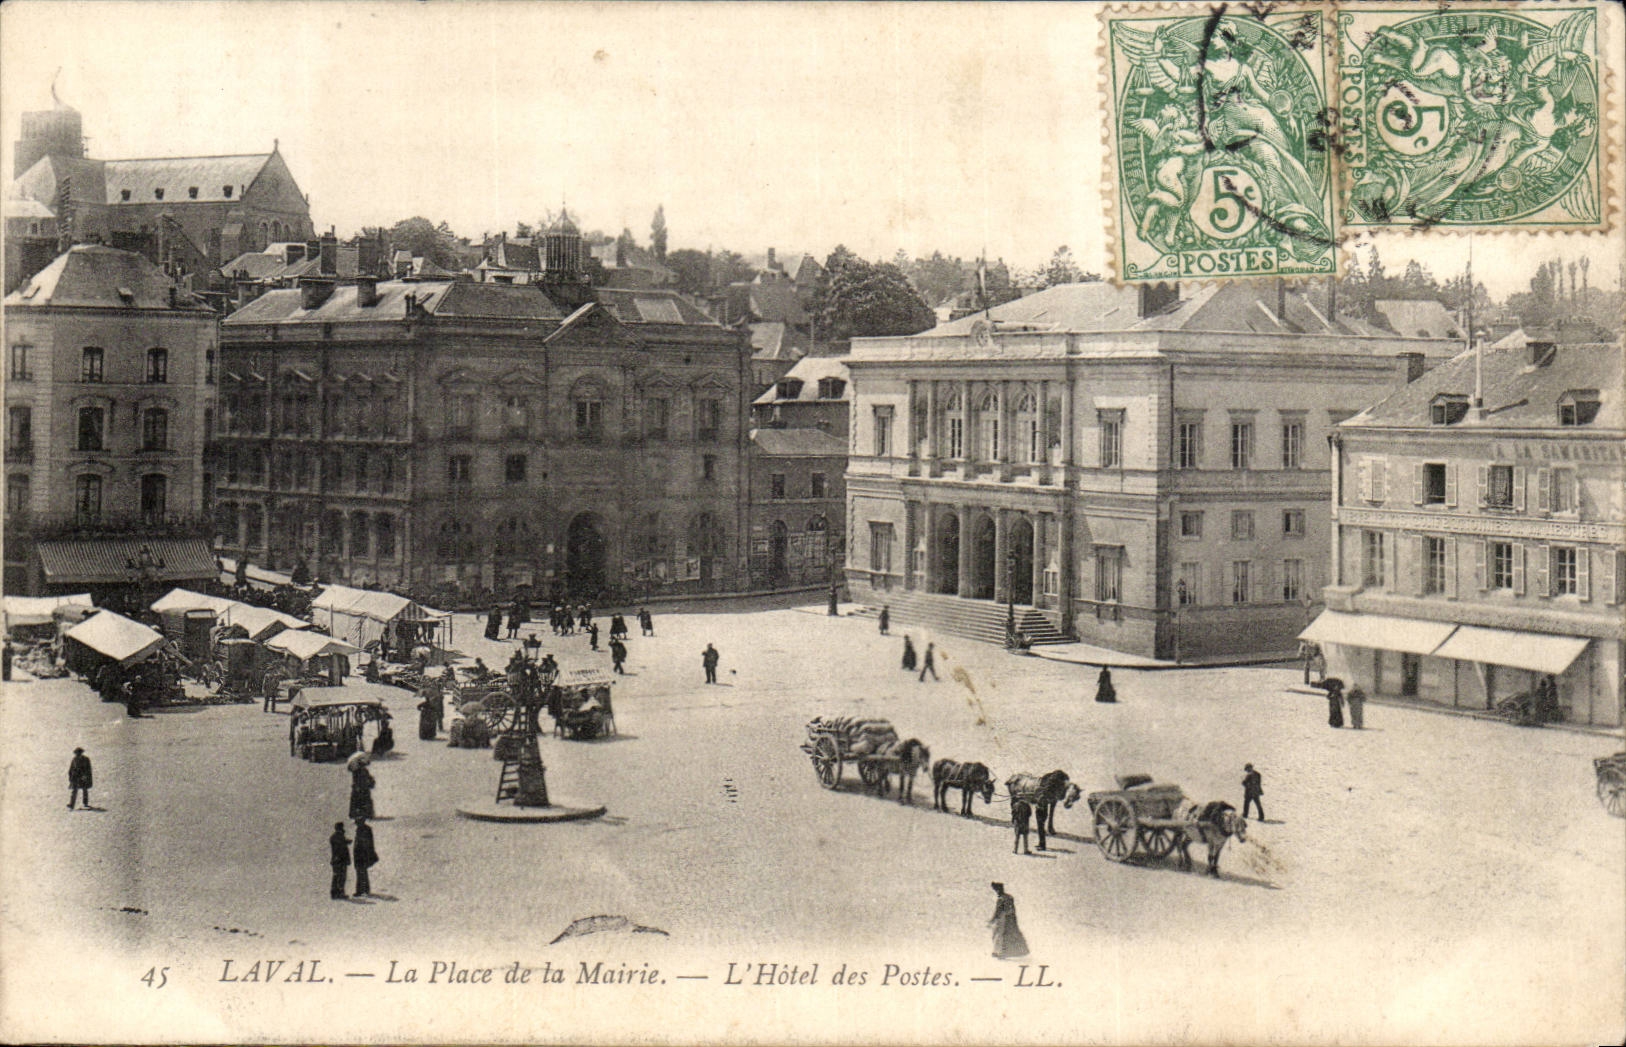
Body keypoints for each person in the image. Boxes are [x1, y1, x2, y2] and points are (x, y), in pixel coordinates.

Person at [989, 882, 1029, 959]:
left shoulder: (1001, 899)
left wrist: (993, 920)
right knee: (1011, 935)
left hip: (1005, 920)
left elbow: (998, 911)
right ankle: (1007, 952)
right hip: (1011, 919)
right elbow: (1012, 909)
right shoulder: (1009, 897)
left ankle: (1002, 953)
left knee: (1002, 936)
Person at [352, 817, 378, 897]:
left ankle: (361, 890)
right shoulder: (365, 829)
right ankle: (364, 890)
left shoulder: (362, 830)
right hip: (361, 854)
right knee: (362, 872)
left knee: (361, 872)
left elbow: (364, 843)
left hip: (361, 855)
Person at [329, 822, 351, 900]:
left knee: (336, 876)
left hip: (336, 860)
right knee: (341, 877)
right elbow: (340, 846)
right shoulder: (338, 836)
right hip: (340, 860)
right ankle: (340, 893)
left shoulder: (335, 836)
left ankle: (335, 893)